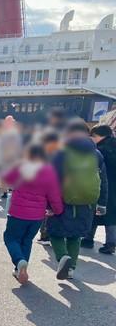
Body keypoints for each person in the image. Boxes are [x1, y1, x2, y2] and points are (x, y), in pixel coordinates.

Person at [47, 120, 108, 280]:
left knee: (55, 233)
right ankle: (71, 268)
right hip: (87, 203)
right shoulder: (97, 154)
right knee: (75, 236)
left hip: (63, 201)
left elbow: (52, 179)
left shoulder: (60, 152)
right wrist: (102, 203)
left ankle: (63, 258)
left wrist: (48, 204)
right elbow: (103, 180)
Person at [2, 145, 64, 284]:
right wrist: (57, 210)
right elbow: (54, 195)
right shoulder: (49, 171)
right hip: (37, 216)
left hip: (17, 213)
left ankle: (19, 261)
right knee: (27, 240)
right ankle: (20, 269)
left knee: (10, 238)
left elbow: (5, 179)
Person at [82, 124, 116, 254]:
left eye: (93, 136)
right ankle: (111, 243)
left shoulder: (99, 149)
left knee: (94, 211)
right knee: (111, 215)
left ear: (98, 136)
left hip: (101, 184)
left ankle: (88, 239)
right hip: (114, 187)